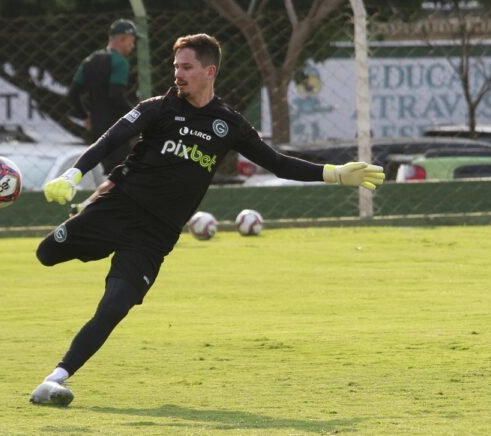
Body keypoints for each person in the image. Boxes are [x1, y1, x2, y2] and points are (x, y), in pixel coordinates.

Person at [29, 33, 384, 406]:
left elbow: (277, 163)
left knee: (115, 305)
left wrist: (335, 173)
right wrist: (73, 175)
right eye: (175, 66)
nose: (177, 74)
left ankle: (55, 379)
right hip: (117, 208)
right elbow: (108, 140)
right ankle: (88, 231)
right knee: (47, 254)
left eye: (186, 67)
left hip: (155, 235)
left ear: (208, 71)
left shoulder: (227, 123)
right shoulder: (157, 108)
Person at [68, 18, 140, 174]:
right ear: (122, 39)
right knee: (119, 173)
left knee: (101, 173)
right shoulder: (120, 62)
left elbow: (73, 94)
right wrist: (136, 114)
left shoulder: (89, 60)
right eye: (131, 41)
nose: (132, 46)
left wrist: (85, 116)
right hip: (116, 128)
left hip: (96, 128)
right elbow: (116, 95)